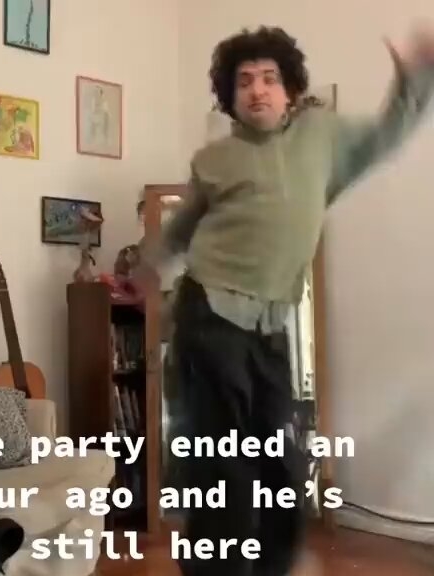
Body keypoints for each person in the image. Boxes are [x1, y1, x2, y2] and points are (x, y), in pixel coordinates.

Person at [139, 24, 434, 576]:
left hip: (270, 328)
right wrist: (149, 265)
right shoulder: (215, 158)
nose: (257, 89)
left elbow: (387, 135)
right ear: (230, 97)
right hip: (208, 318)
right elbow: (182, 227)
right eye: (244, 81)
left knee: (282, 466)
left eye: (269, 78)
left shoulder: (321, 139)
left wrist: (416, 76)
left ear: (291, 89)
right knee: (220, 468)